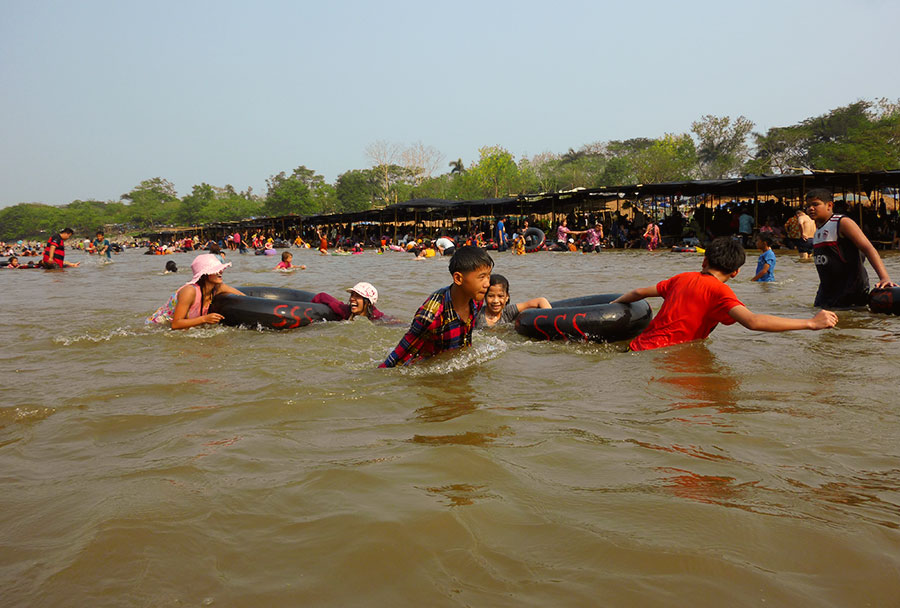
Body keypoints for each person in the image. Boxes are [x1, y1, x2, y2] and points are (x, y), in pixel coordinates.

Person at [612, 237, 837, 352]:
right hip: (665, 355)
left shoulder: (681, 278)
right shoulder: (720, 291)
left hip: (637, 347)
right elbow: (753, 322)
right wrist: (810, 323)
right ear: (736, 272)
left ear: (704, 260)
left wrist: (611, 305)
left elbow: (638, 292)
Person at [380, 245, 493, 367]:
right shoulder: (431, 316)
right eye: (482, 277)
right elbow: (399, 356)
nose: (487, 283)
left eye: (489, 276)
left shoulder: (476, 299)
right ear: (458, 278)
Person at [805, 188, 896, 308]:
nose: (810, 208)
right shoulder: (818, 231)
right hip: (826, 293)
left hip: (851, 291)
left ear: (829, 205)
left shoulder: (842, 223)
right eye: (808, 206)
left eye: (815, 204)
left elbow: (868, 248)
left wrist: (884, 278)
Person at [147, 254, 245, 329]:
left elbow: (244, 298)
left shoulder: (219, 288)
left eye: (220, 269)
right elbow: (176, 324)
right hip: (156, 327)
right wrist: (205, 319)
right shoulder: (189, 291)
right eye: (216, 270)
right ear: (204, 274)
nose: (221, 272)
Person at [474, 274, 551, 329]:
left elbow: (541, 301)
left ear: (507, 297)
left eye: (500, 296)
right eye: (491, 296)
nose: (495, 301)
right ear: (484, 296)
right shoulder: (478, 314)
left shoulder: (508, 311)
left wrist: (551, 321)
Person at [312, 282, 388, 322]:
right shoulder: (345, 310)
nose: (352, 299)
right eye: (352, 295)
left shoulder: (376, 316)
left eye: (358, 296)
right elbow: (322, 296)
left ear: (368, 302)